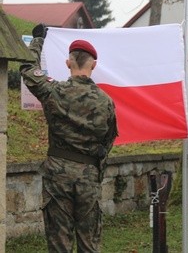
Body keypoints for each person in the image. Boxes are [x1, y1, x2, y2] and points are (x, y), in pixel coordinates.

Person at [20, 24, 118, 252]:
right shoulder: (106, 102)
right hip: (88, 177)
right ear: (93, 65)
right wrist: (95, 173)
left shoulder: (54, 91)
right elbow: (108, 141)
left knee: (59, 243)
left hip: (57, 176)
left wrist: (37, 41)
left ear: (68, 63)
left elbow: (27, 69)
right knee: (89, 243)